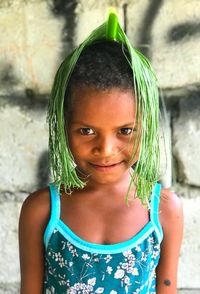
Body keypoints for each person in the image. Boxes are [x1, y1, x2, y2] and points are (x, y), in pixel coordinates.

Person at [18, 11, 183, 294]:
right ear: (63, 126)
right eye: (86, 131)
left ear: (147, 125)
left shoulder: (164, 210)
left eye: (125, 131)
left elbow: (167, 287)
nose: (105, 150)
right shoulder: (43, 211)